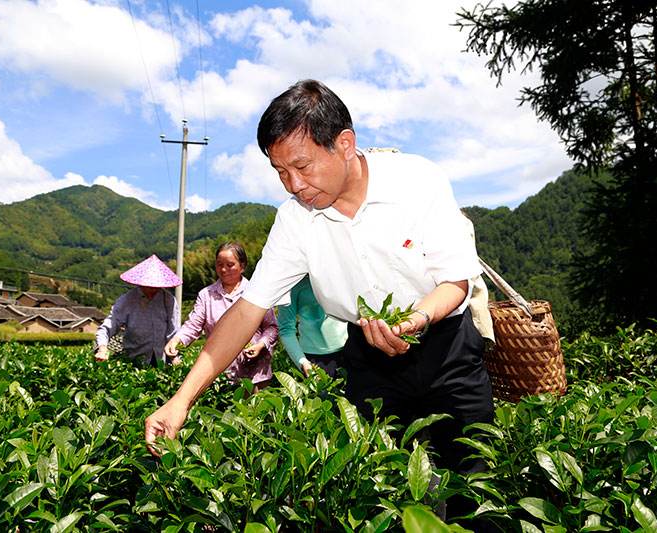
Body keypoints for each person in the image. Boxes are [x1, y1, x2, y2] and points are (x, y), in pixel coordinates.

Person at [145, 80, 494, 477]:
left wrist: (415, 320)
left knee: (474, 480)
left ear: (344, 144)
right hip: (368, 358)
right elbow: (246, 311)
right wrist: (181, 400)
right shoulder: (294, 220)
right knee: (380, 488)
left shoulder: (417, 180)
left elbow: (455, 281)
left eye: (302, 166)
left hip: (446, 348)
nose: (294, 185)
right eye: (280, 172)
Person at [164, 242, 278, 389]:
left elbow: (271, 327)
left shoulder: (256, 293)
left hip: (254, 374)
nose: (224, 269)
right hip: (217, 374)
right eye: (219, 264)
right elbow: (193, 325)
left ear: (242, 266)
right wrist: (177, 341)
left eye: (230, 265)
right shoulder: (206, 295)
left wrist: (261, 344)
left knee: (252, 410)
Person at [95, 254, 181, 366]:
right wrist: (102, 349)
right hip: (133, 360)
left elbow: (174, 331)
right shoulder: (127, 300)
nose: (153, 289)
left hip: (162, 359)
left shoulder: (168, 300)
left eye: (156, 286)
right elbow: (107, 327)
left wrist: (174, 356)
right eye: (149, 285)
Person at [276, 274, 347, 377]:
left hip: (349, 349)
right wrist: (302, 361)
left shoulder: (337, 272)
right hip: (314, 360)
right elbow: (286, 329)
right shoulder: (291, 284)